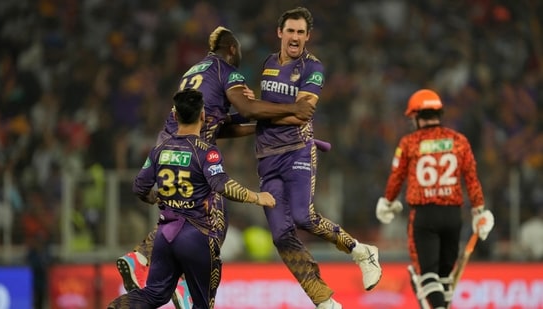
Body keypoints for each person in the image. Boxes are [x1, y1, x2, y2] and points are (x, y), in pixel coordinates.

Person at [115, 26, 316, 308]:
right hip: (193, 153)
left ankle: (140, 257)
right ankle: (184, 283)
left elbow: (219, 125)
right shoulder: (227, 71)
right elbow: (247, 110)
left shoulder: (194, 72)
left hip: (167, 149)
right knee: (214, 219)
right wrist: (291, 110)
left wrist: (261, 126)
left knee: (179, 218)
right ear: (232, 48)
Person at [254, 7, 382, 309]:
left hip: (297, 150)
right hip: (267, 158)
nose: (295, 37)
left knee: (302, 216)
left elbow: (303, 113)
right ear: (280, 33)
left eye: (301, 32)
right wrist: (252, 115)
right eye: (291, 31)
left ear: (307, 36)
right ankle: (323, 300)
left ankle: (361, 251)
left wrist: (256, 111)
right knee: (281, 236)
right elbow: (278, 112)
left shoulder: (314, 68)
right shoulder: (268, 63)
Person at [107, 88, 275, 309]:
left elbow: (139, 187)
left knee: (154, 294)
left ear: (175, 116)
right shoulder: (207, 152)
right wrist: (257, 197)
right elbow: (222, 185)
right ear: (203, 115)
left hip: (165, 236)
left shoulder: (159, 150)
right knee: (202, 304)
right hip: (196, 236)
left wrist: (156, 197)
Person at [375, 89, 495, 309]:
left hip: (425, 215)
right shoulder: (459, 141)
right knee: (445, 277)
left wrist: (388, 202)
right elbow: (472, 180)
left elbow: (396, 177)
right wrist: (479, 211)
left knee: (428, 275)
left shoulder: (409, 142)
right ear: (439, 113)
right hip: (453, 216)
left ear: (415, 116)